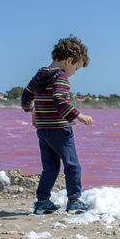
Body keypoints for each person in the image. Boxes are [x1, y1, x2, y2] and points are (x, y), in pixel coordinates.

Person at [21, 35, 93, 215]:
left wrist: (32, 112)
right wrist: (79, 115)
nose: (74, 72)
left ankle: (42, 201)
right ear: (69, 60)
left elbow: (25, 96)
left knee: (50, 167)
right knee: (72, 165)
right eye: (76, 68)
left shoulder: (40, 74)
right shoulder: (60, 77)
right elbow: (59, 100)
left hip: (43, 129)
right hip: (60, 129)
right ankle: (74, 200)